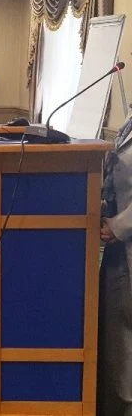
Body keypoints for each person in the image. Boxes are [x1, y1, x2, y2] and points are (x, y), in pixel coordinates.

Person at [98, 115, 132, 415]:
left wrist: (118, 226)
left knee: (125, 346)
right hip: (118, 252)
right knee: (117, 343)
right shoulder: (129, 120)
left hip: (125, 241)